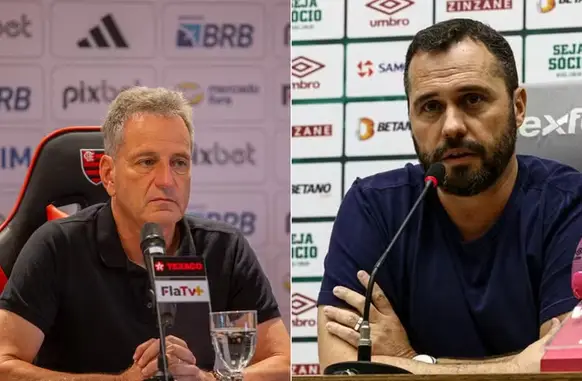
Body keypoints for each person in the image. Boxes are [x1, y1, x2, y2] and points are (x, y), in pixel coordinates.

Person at [317, 18, 582, 374]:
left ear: (518, 107)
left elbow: (565, 368)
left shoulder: (569, 201)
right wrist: (517, 366)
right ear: (410, 117)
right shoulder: (373, 207)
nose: (452, 126)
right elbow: (343, 370)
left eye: (472, 100)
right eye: (430, 107)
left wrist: (410, 364)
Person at [0, 87, 290, 380]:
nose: (166, 181)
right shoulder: (56, 246)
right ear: (108, 175)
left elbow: (283, 363)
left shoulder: (225, 249)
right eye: (147, 162)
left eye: (179, 163)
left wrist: (208, 380)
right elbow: (4, 365)